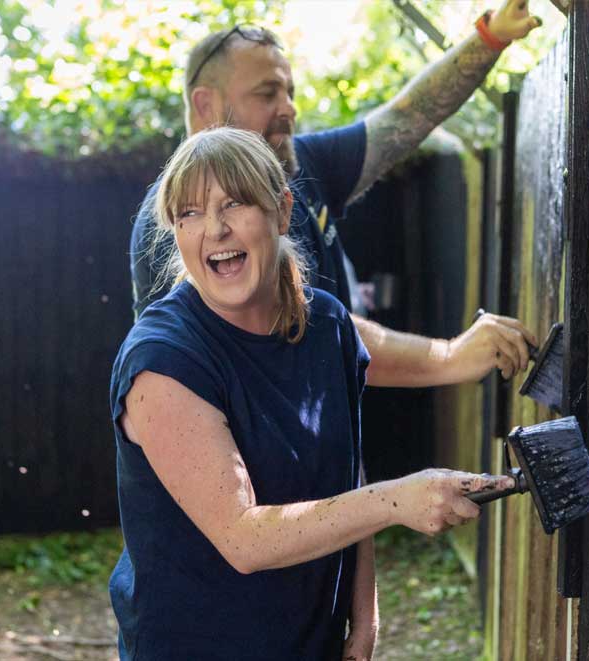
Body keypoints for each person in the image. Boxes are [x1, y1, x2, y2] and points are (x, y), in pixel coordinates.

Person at [110, 127, 515, 659]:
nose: (214, 229)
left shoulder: (326, 323)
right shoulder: (163, 361)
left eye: (234, 203)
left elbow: (346, 468)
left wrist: (364, 613)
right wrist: (398, 501)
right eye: (188, 214)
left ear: (281, 211)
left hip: (310, 643)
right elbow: (245, 539)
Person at [131, 1, 548, 387]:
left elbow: (404, 121)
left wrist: (491, 36)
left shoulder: (293, 162)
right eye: (267, 93)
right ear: (205, 106)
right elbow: (302, 327)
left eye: (289, 92)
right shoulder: (169, 221)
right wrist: (450, 356)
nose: (289, 108)